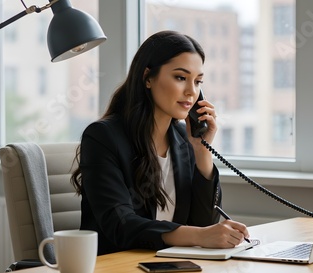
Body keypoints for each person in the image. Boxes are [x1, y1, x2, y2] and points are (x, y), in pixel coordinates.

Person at [71, 30, 249, 255]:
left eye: (198, 81)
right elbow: (120, 225)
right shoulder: (103, 137)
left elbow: (205, 223)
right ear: (148, 77)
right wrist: (199, 236)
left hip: (167, 265)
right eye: (180, 78)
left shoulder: (183, 140)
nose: (191, 92)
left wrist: (202, 150)